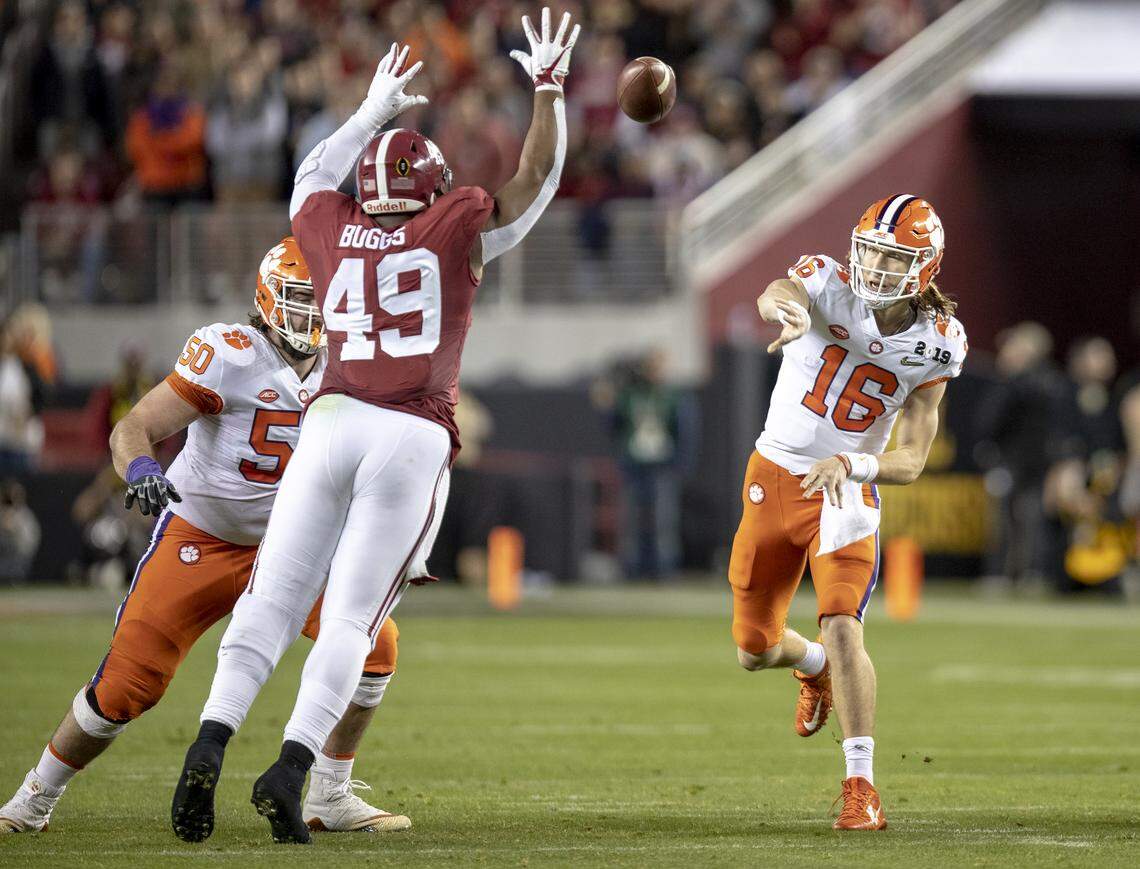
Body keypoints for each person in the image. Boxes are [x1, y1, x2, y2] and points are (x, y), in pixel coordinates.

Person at [172, 9, 579, 845]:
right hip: (409, 433)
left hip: (327, 421)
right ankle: (291, 770)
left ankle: (207, 741)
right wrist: (548, 89)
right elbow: (535, 177)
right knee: (352, 619)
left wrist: (367, 111)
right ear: (432, 190)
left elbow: (309, 180)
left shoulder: (328, 227)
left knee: (272, 601)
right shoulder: (454, 223)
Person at [0, 239, 410, 837]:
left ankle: (329, 793)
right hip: (204, 535)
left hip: (296, 544)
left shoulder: (350, 366)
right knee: (125, 685)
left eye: (322, 304)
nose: (312, 318)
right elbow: (135, 426)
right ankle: (33, 797)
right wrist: (140, 469)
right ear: (269, 301)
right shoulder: (228, 353)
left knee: (376, 648)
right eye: (299, 302)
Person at [730, 194, 967, 830]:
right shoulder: (826, 281)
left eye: (892, 256)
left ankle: (861, 786)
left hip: (845, 492)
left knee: (843, 624)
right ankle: (813, 669)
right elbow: (782, 290)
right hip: (773, 474)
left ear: (925, 266)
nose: (874, 266)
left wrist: (854, 464)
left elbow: (913, 459)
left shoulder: (939, 343)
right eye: (869, 250)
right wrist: (781, 309)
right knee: (753, 648)